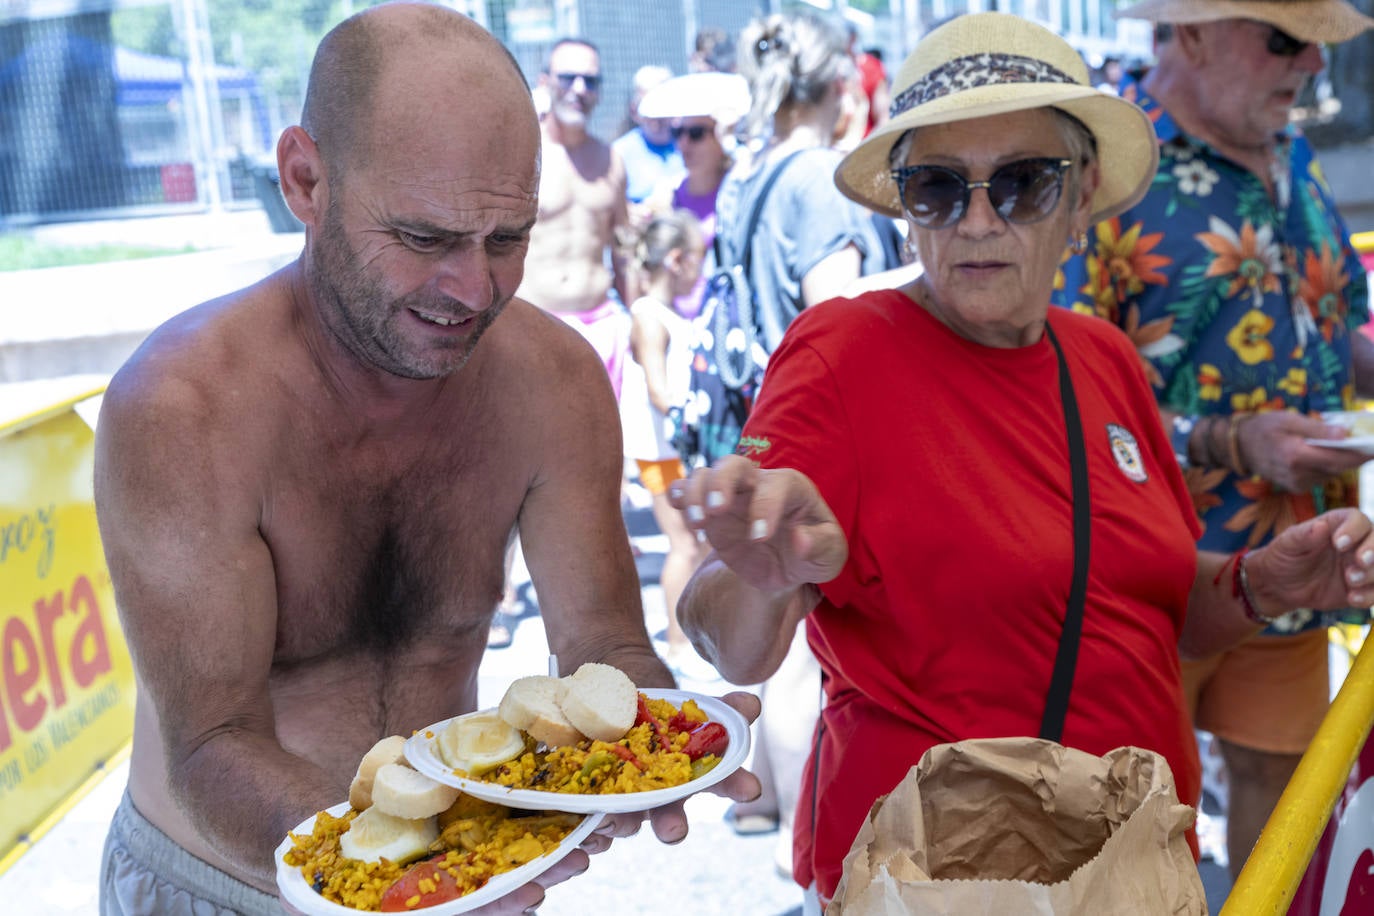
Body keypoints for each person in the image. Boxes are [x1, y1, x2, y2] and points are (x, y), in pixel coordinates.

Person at [669, 12, 1374, 913]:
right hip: (930, 885)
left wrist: (1260, 582)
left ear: (1082, 200)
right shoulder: (843, 352)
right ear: (905, 211)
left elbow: (1148, 608)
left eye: (1024, 183)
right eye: (936, 187)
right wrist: (764, 575)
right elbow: (726, 635)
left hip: (1133, 872)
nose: (977, 219)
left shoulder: (1104, 358)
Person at [91, 6, 759, 915]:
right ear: (305, 181)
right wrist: (407, 879)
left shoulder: (554, 381)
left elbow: (603, 646)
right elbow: (211, 741)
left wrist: (665, 742)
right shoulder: (185, 407)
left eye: (507, 239)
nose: (474, 290)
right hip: (228, 884)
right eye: (422, 239)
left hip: (450, 876)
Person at [1053, 0, 1374, 880]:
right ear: (1191, 32)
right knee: (1130, 815)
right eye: (1285, 39)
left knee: (1281, 795)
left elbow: (1331, 325)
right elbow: (1062, 391)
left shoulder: (1292, 154)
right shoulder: (1105, 173)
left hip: (1293, 549)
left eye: (1316, 43)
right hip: (1148, 566)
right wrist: (1231, 440)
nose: (1312, 64)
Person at [685, 7, 896, 871]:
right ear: (840, 83)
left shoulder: (753, 169)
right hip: (811, 431)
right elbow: (836, 315)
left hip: (755, 421)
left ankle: (765, 804)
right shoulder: (816, 175)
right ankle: (801, 840)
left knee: (770, 638)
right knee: (809, 653)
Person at [617, 210, 712, 678]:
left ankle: (690, 638)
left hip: (676, 453)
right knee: (684, 546)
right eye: (699, 258)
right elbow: (659, 390)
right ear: (677, 260)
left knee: (698, 545)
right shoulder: (648, 316)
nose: (702, 270)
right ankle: (677, 646)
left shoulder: (666, 313)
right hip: (662, 456)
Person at [518, 36, 633, 400]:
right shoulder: (522, 154)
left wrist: (638, 315)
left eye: (591, 80)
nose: (580, 89)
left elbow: (623, 251)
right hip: (533, 328)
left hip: (601, 328)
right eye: (568, 77)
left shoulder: (611, 161)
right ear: (545, 82)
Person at [638, 70, 751, 318]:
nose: (684, 144)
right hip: (677, 320)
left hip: (725, 318)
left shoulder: (739, 190)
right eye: (678, 133)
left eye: (697, 133)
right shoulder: (668, 194)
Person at [612, 64, 684, 208]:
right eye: (648, 105)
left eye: (661, 104)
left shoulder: (691, 142)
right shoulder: (619, 153)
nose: (656, 115)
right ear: (634, 110)